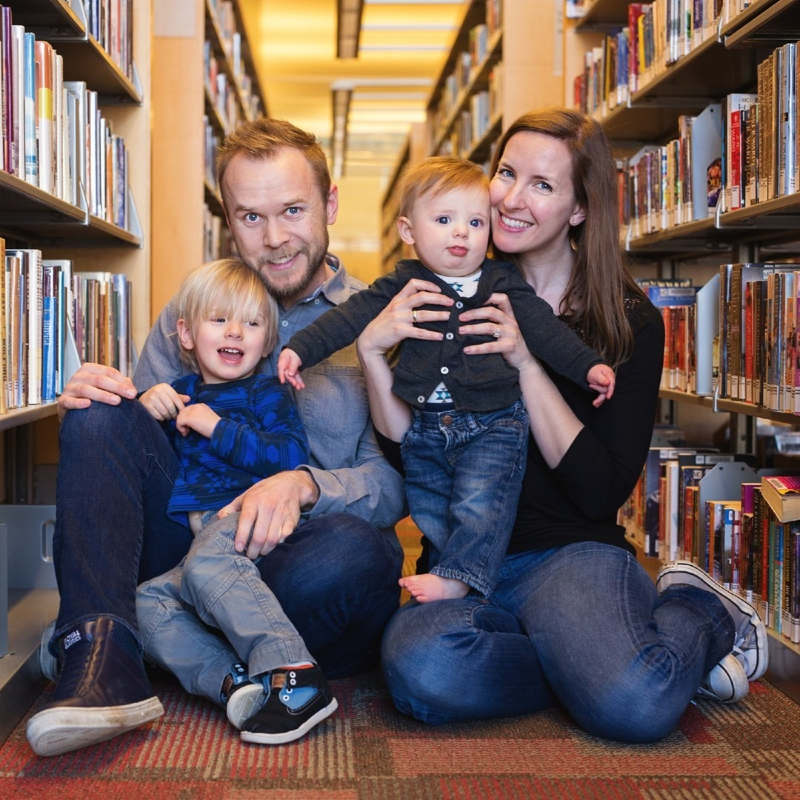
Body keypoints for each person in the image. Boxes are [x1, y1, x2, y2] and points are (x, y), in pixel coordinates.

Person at [357, 107, 768, 743]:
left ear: (579, 209)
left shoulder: (629, 323)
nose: (510, 201)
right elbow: (405, 451)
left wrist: (524, 361)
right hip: (465, 559)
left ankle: (698, 610)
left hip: (568, 555)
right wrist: (372, 352)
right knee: (423, 670)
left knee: (634, 704)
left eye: (542, 186)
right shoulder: (448, 287)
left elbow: (600, 491)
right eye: (506, 174)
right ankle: (585, 665)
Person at [26, 118, 406, 758]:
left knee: (358, 555)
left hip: (301, 556)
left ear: (331, 203)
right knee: (101, 412)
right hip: (195, 533)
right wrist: (97, 411)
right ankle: (105, 656)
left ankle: (145, 631)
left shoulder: (381, 320)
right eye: (251, 218)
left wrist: (305, 484)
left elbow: (398, 485)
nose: (276, 238)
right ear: (228, 221)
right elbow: (141, 450)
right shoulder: (192, 309)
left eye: (293, 210)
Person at [279, 156, 615, 604]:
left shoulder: (501, 280)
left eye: (476, 222)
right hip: (425, 428)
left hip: (493, 422)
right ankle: (457, 573)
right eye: (444, 219)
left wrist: (587, 365)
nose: (462, 232)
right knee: (431, 508)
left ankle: (460, 579)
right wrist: (299, 350)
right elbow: (347, 319)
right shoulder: (401, 283)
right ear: (408, 231)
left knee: (479, 505)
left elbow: (545, 329)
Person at [135, 258, 337, 745]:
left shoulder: (266, 393)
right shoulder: (178, 394)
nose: (236, 332)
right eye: (220, 319)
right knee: (148, 603)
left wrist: (215, 426)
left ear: (267, 342)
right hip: (201, 540)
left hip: (249, 519)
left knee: (206, 565)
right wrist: (143, 410)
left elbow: (288, 457)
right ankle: (235, 684)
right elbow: (141, 462)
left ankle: (294, 674)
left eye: (251, 323)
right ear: (185, 334)